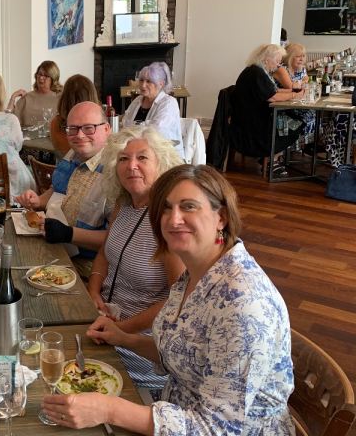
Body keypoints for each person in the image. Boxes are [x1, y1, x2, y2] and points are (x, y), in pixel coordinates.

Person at [42, 164, 294, 434]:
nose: (173, 220)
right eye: (165, 208)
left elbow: (218, 428)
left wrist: (109, 409)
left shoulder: (243, 304)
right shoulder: (196, 272)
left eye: (188, 207)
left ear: (221, 217)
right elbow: (186, 353)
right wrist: (124, 338)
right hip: (173, 411)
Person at [86, 125, 184, 399]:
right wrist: (93, 292)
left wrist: (121, 329)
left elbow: (179, 298)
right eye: (123, 159)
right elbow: (104, 253)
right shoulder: (123, 205)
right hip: (104, 321)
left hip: (140, 345)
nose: (131, 166)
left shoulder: (169, 222)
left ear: (161, 165)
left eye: (142, 158)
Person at [15, 101, 110, 276]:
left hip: (88, 265)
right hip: (56, 245)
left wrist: (67, 234)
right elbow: (57, 189)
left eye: (89, 128)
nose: (79, 135)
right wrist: (38, 201)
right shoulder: (73, 153)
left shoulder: (116, 172)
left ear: (106, 129)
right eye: (72, 129)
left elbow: (117, 240)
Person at [230, 44, 304, 169]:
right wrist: (294, 95)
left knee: (295, 119)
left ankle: (273, 158)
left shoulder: (258, 70)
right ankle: (271, 160)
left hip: (255, 116)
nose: (278, 65)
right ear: (266, 59)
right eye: (277, 61)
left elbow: (274, 90)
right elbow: (272, 97)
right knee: (295, 124)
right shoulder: (255, 73)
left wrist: (294, 91)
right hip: (252, 124)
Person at [121, 62, 183, 158]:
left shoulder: (169, 103)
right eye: (141, 80)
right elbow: (125, 123)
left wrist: (134, 127)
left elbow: (156, 131)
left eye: (149, 81)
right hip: (138, 150)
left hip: (164, 155)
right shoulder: (138, 100)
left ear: (161, 84)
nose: (143, 85)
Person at [49, 74, 99, 157]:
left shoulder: (55, 123)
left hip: (61, 164)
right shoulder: (95, 125)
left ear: (64, 97)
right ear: (91, 96)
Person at [6, 60, 62, 127]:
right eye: (40, 74)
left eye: (46, 75)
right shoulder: (26, 98)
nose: (41, 78)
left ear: (53, 78)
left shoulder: (60, 98)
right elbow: (7, 121)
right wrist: (13, 97)